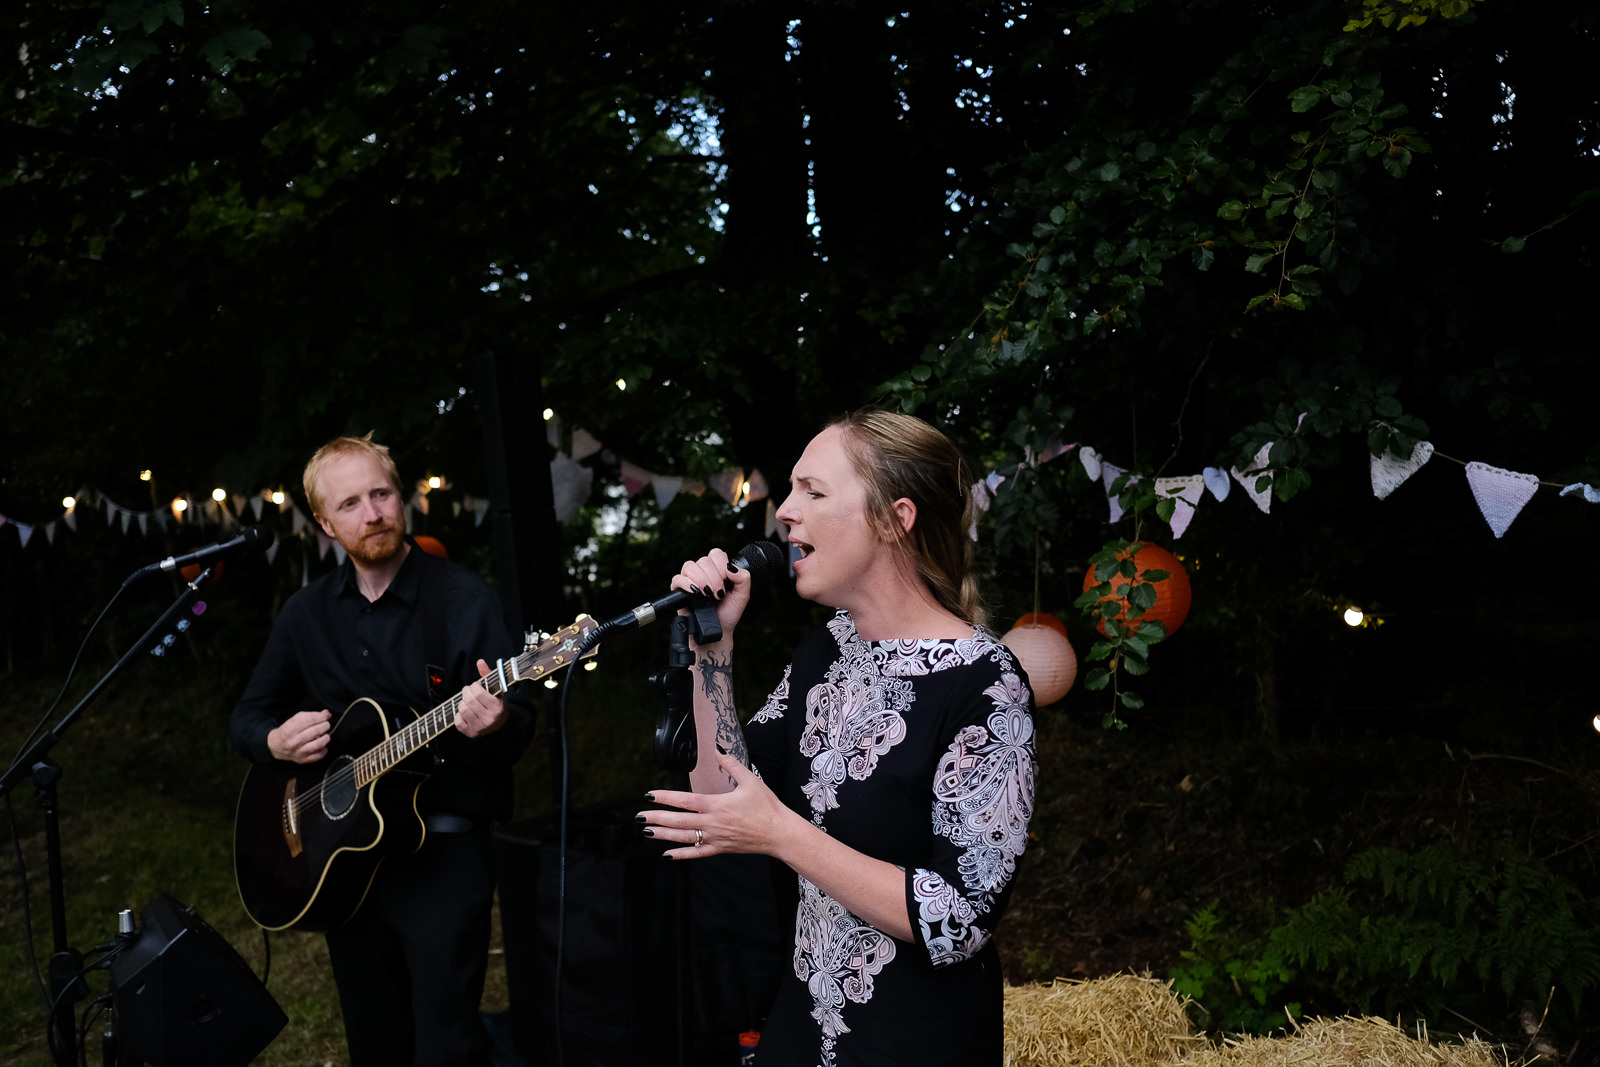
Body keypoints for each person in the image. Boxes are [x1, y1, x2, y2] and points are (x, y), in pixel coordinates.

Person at [638, 409, 1038, 1066]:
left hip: (916, 1042)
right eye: (789, 489)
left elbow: (957, 919)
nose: (784, 513)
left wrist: (783, 834)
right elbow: (721, 796)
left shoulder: (986, 685)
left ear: (893, 518)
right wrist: (715, 649)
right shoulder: (827, 651)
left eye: (813, 491)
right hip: (801, 1030)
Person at [231, 433, 535, 1066]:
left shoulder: (462, 600)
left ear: (403, 499)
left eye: (382, 494)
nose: (372, 514)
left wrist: (495, 721)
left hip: (443, 851)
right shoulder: (306, 614)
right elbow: (248, 716)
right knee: (376, 1041)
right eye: (350, 504)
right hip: (340, 860)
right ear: (323, 522)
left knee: (447, 1046)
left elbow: (522, 730)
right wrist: (273, 739)